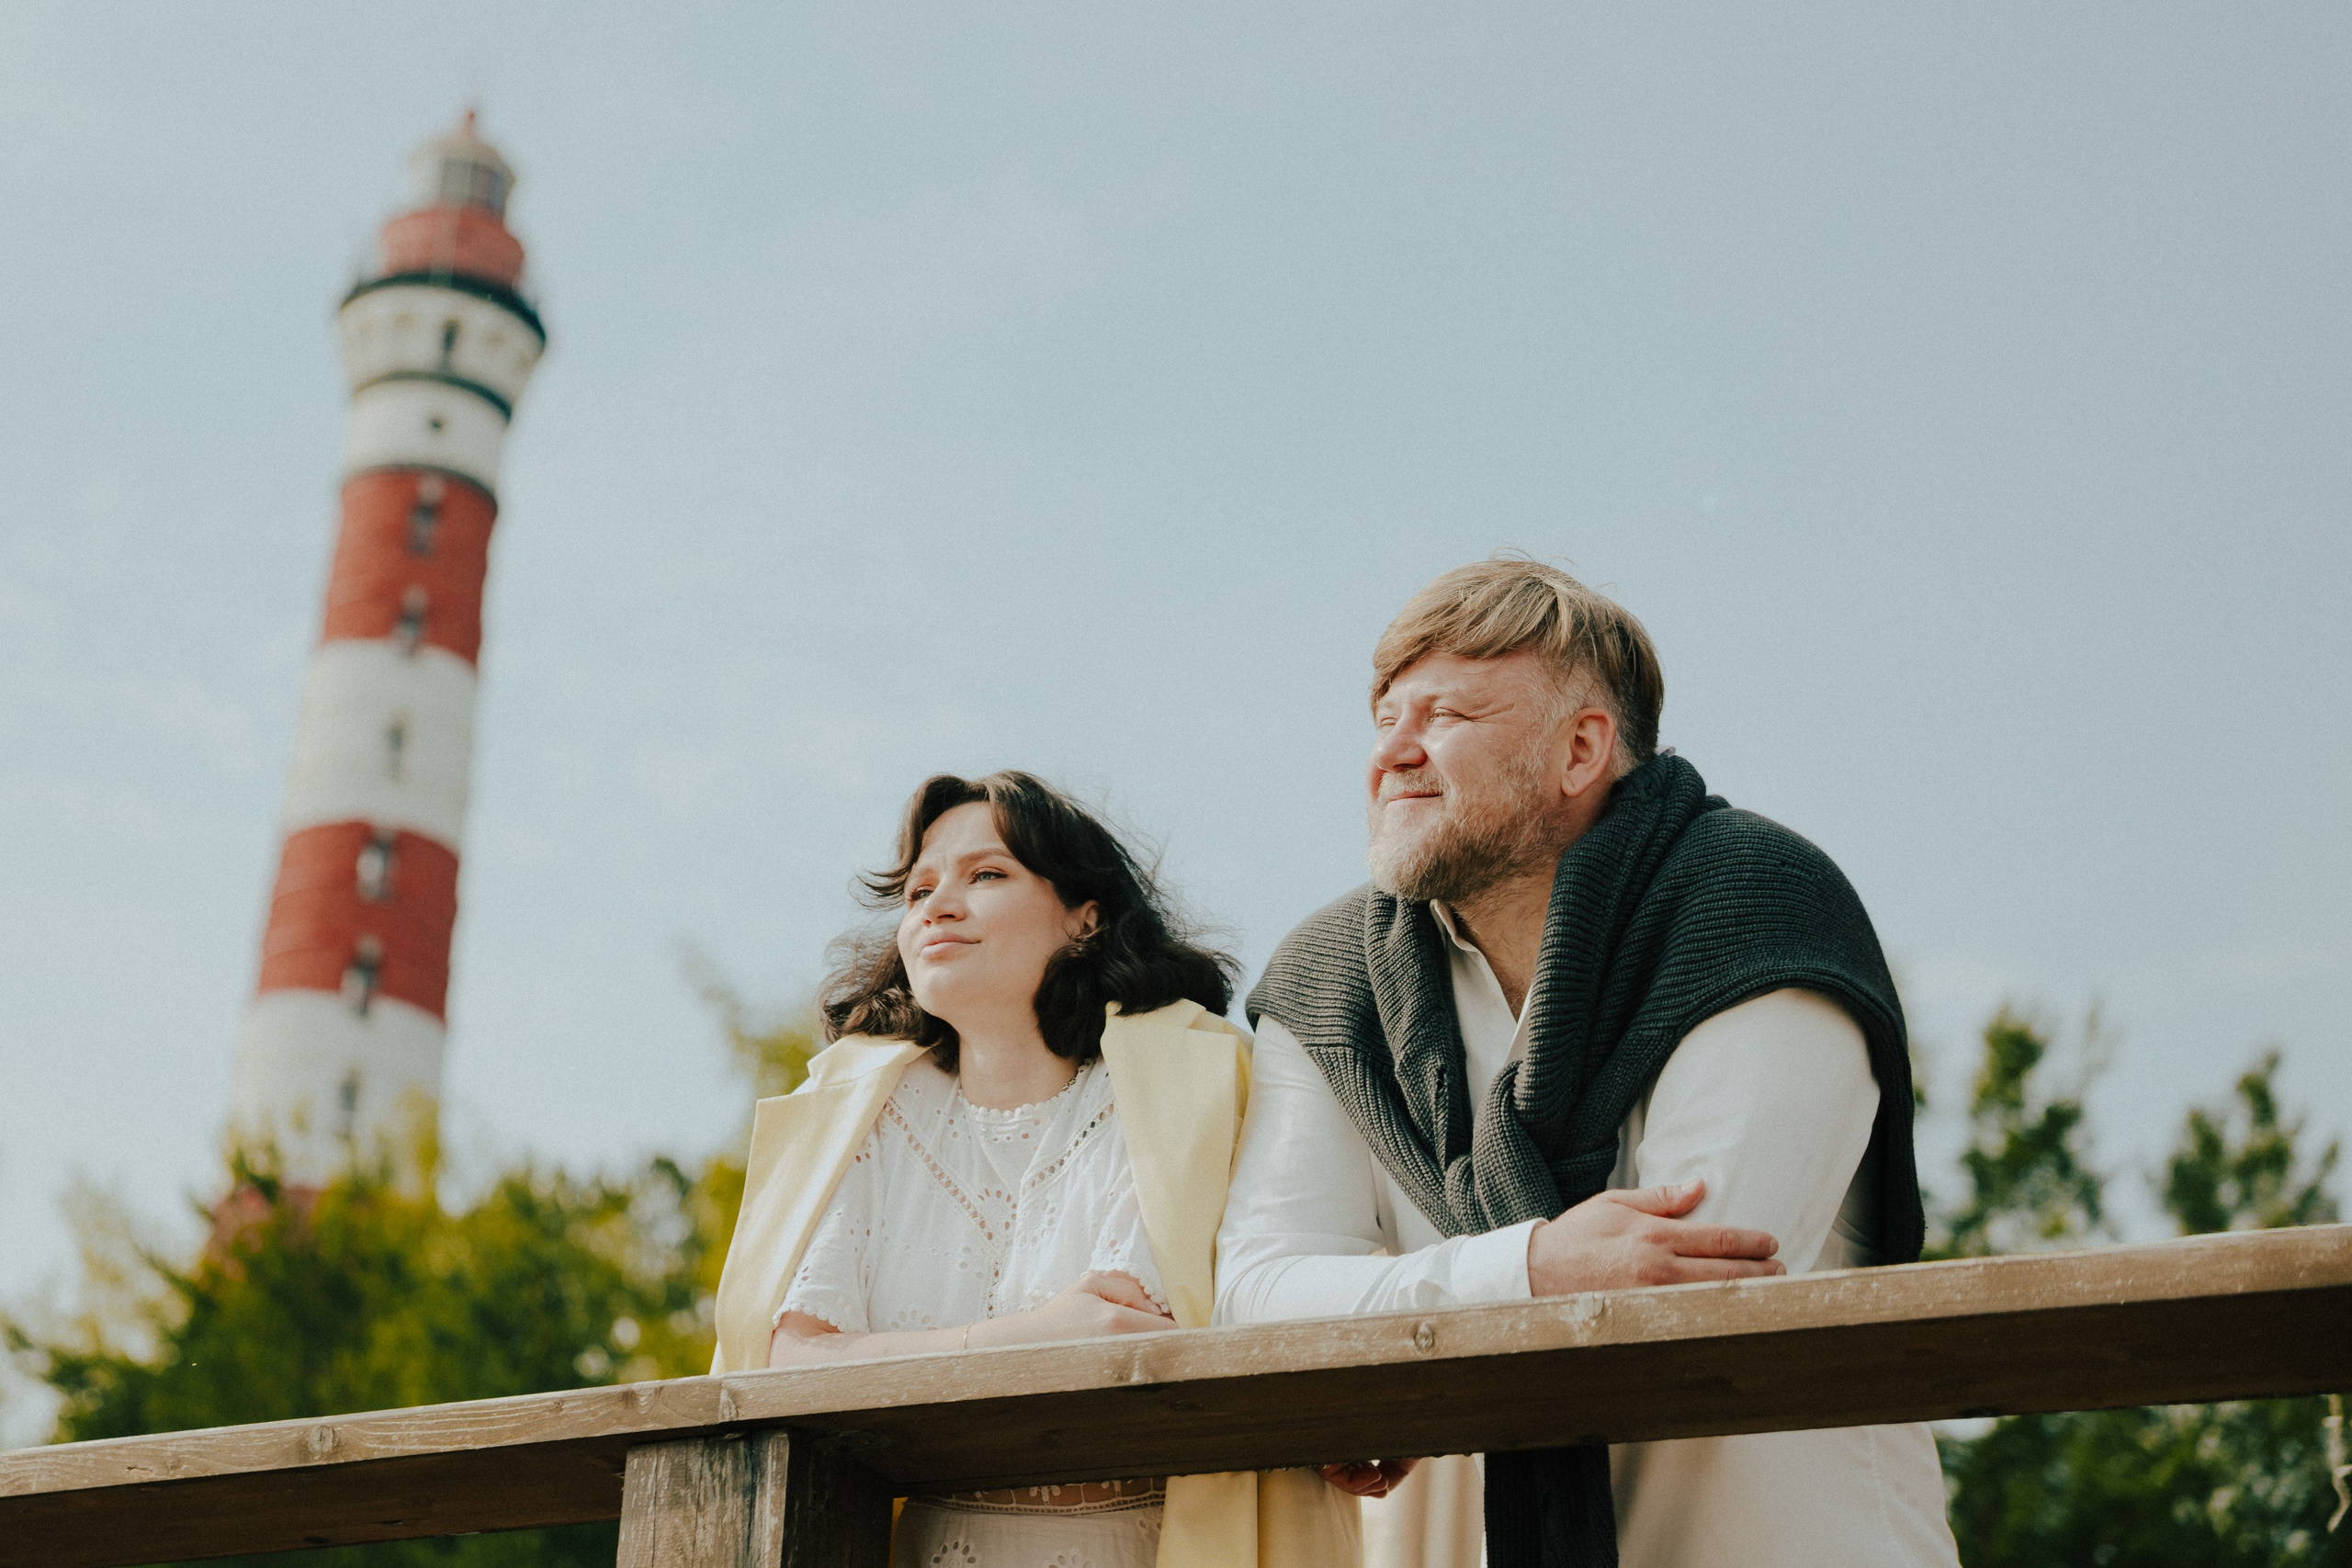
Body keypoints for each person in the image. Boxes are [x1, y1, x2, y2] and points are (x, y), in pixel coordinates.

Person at [1216, 558, 1962, 1568]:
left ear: (1579, 750)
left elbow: (1689, 1278)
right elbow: (1255, 1298)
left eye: (1445, 716)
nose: (1392, 752)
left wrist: (1390, 1361)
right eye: (1385, 716)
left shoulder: (1753, 901)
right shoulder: (1325, 980)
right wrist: (1525, 1269)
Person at [709, 770, 1360, 1568]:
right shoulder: (856, 1107)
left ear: (1087, 915)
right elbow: (788, 1362)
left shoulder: (1198, 1078)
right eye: (918, 891)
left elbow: (1127, 1358)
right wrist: (1031, 1335)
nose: (938, 905)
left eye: (986, 874)